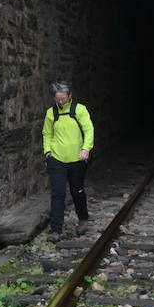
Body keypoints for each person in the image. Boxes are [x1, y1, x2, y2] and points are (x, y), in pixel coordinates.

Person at [42, 80, 93, 239]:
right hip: (57, 159)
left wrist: (86, 148)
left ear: (69, 96)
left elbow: (88, 129)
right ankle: (56, 229)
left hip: (77, 159)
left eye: (63, 98)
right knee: (58, 193)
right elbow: (47, 134)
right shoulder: (51, 113)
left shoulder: (79, 109)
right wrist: (48, 152)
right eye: (58, 99)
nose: (61, 102)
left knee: (77, 191)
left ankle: (83, 219)